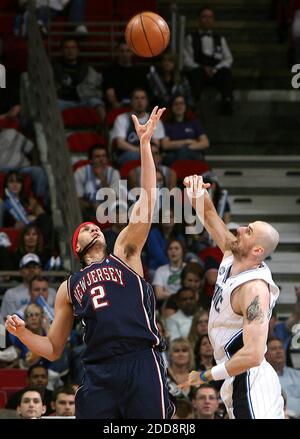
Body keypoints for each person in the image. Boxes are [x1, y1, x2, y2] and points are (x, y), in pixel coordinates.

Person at [5, 107, 175, 419]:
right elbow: (54, 349)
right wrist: (23, 335)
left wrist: (145, 145)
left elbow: (148, 201)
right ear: (77, 247)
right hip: (100, 368)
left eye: (94, 226)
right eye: (85, 229)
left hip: (141, 357)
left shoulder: (125, 252)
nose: (93, 227)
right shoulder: (69, 287)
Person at [181, 174, 284, 419]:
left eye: (247, 231)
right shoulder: (233, 254)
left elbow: (253, 355)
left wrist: (206, 375)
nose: (238, 229)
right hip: (235, 376)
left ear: (257, 250)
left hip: (251, 379)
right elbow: (208, 216)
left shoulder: (254, 289)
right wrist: (196, 190)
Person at [183, 6, 234, 115]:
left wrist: (216, 68)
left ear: (213, 20)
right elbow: (186, 60)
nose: (207, 19)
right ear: (199, 19)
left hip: (216, 72)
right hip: (199, 71)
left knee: (226, 72)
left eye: (210, 17)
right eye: (204, 17)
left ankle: (227, 101)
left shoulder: (220, 39)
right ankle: (193, 104)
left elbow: (228, 59)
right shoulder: (190, 38)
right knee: (194, 74)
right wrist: (203, 68)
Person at [52, 37, 105, 120]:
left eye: (73, 47)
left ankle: (104, 130)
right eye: (67, 48)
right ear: (61, 50)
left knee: (98, 104)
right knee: (53, 106)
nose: (70, 51)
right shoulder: (55, 68)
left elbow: (97, 86)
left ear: (78, 50)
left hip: (84, 100)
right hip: (63, 100)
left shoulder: (86, 68)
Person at [111, 88, 165, 166]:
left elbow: (156, 144)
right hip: (129, 154)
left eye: (143, 98)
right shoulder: (122, 118)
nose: (140, 101)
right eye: (136, 98)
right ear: (131, 101)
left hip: (149, 153)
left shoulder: (155, 119)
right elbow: (120, 143)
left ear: (147, 101)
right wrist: (141, 151)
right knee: (133, 156)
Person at [73, 144, 122, 221]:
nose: (101, 160)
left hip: (109, 210)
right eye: (97, 156)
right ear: (90, 160)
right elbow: (77, 199)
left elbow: (114, 199)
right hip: (88, 211)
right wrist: (91, 205)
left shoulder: (114, 173)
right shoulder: (81, 172)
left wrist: (102, 179)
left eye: (104, 156)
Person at [0, 253, 55, 318]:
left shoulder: (53, 293)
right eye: (27, 267)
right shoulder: (11, 294)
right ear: (20, 271)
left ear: (40, 270)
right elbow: (7, 320)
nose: (31, 270)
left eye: (35, 267)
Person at [161, 94, 209, 165]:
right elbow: (165, 145)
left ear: (186, 106)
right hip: (173, 155)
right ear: (171, 107)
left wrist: (187, 148)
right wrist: (187, 141)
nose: (179, 106)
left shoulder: (194, 123)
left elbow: (205, 143)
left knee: (184, 152)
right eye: (176, 104)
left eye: (181, 103)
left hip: (193, 153)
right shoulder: (166, 124)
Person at [265, 337, 300, 418]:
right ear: (265, 355)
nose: (278, 351)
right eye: (274, 349)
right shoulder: (263, 378)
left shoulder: (297, 374)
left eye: (281, 348)